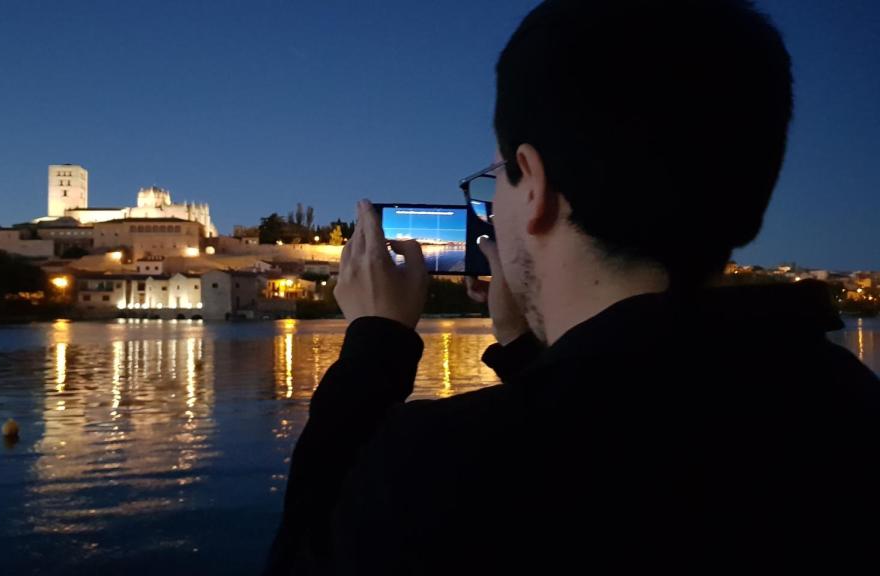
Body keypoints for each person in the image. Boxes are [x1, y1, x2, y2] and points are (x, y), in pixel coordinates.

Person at [264, 0, 880, 573]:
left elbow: (303, 554)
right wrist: (526, 343)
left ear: (533, 185)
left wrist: (375, 346)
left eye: (499, 176)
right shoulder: (846, 399)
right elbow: (629, 404)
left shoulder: (448, 469)